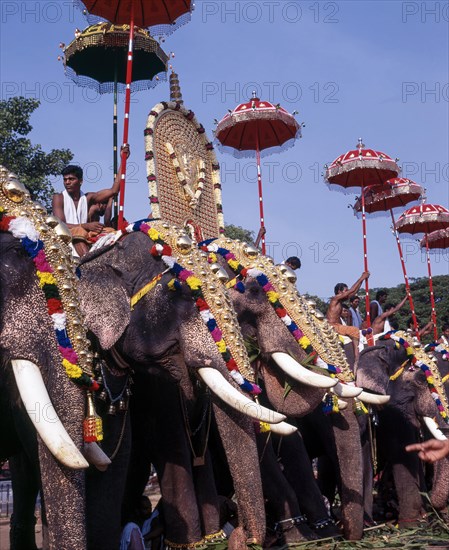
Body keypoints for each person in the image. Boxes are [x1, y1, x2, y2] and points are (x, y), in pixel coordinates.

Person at [52, 144, 129, 256]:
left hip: (85, 234)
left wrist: (123, 160)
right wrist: (84, 226)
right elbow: (60, 224)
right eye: (65, 180)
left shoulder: (88, 197)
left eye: (71, 179)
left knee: (111, 232)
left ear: (80, 181)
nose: (67, 182)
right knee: (79, 231)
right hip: (65, 236)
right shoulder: (58, 198)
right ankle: (86, 262)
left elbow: (114, 191)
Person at [326, 272, 370, 360]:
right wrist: (361, 277)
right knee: (354, 330)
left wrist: (363, 280)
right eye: (345, 291)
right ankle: (357, 356)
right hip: (332, 326)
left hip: (338, 326)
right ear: (339, 292)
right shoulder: (335, 299)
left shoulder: (340, 300)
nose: (347, 292)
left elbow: (353, 291)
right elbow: (352, 291)